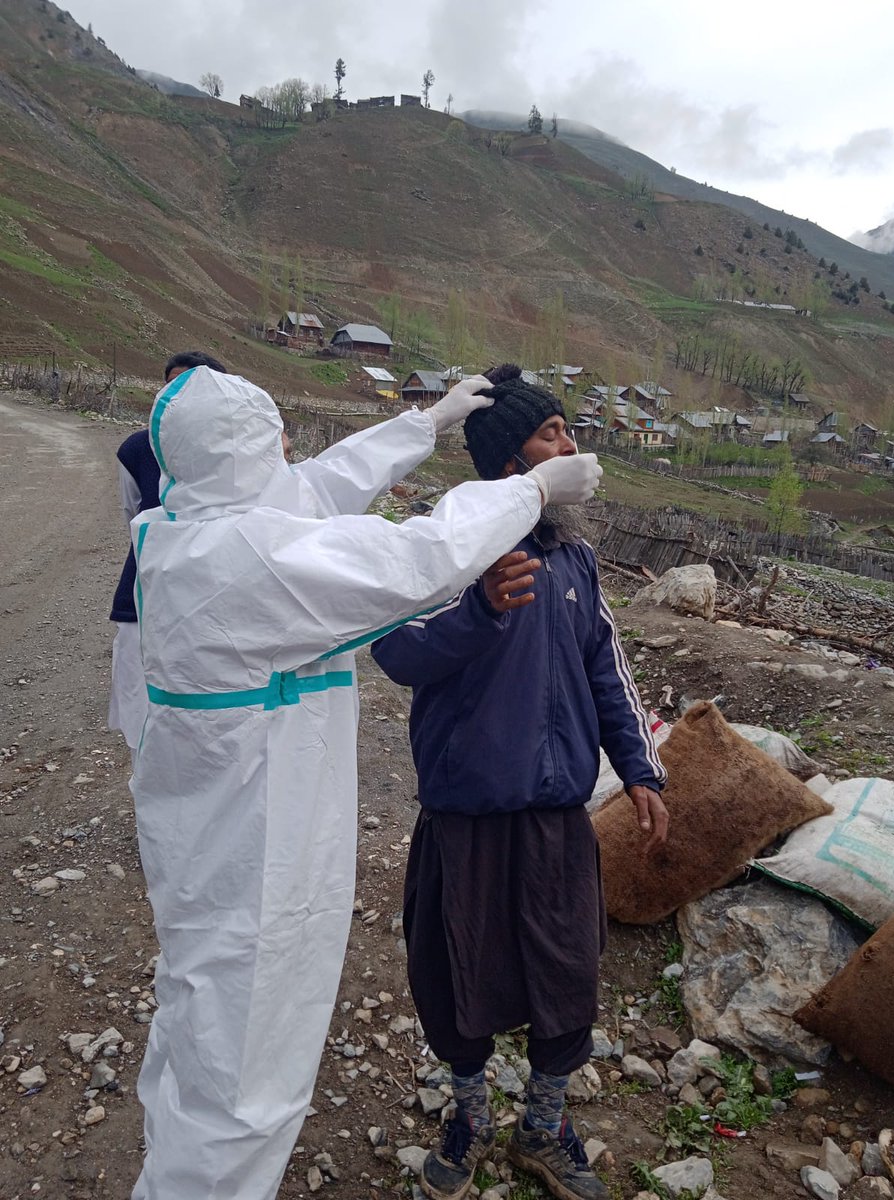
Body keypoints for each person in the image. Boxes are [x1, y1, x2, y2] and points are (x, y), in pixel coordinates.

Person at [128, 364, 602, 1200]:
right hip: (256, 859)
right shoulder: (251, 558)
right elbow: (417, 559)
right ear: (244, 455)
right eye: (274, 438)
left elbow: (319, 486)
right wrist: (531, 492)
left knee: (197, 1023)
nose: (289, 450)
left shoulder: (190, 523)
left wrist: (426, 425)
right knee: (243, 1075)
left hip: (216, 845)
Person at [372, 364, 669, 1200]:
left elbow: (606, 668)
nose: (570, 446)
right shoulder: (448, 545)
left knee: (567, 972)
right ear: (511, 460)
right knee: (456, 973)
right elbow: (394, 648)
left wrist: (639, 767)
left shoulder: (574, 558)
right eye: (551, 434)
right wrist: (479, 610)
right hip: (467, 812)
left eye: (569, 430)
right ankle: (469, 1118)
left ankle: (542, 1125)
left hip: (556, 815)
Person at [108, 351, 227, 762]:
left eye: (191, 386)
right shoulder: (137, 450)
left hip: (213, 602)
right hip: (144, 598)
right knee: (143, 712)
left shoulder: (239, 450)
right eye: (171, 385)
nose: (177, 396)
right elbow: (134, 516)